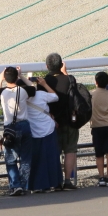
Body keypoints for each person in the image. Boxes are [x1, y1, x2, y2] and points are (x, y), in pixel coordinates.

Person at [0, 66, 35, 196]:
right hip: (24, 125)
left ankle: (15, 185)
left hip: (9, 128)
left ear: (5, 78)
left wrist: (0, 80)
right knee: (25, 158)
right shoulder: (23, 91)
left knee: (11, 159)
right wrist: (21, 76)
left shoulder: (2, 92)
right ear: (16, 77)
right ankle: (23, 185)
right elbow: (33, 86)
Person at [44, 53, 78, 190]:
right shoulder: (69, 79)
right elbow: (74, 92)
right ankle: (68, 181)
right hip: (70, 119)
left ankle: (56, 182)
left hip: (52, 121)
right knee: (70, 150)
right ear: (61, 64)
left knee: (54, 152)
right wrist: (66, 73)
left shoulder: (44, 81)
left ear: (47, 66)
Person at [25, 76, 62, 193]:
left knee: (36, 159)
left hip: (33, 131)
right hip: (48, 128)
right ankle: (55, 183)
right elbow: (55, 97)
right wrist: (45, 84)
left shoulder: (22, 99)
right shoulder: (41, 94)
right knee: (52, 157)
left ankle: (37, 185)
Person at [90, 72, 108, 187]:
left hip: (97, 125)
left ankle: (101, 177)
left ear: (96, 82)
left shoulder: (91, 94)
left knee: (99, 153)